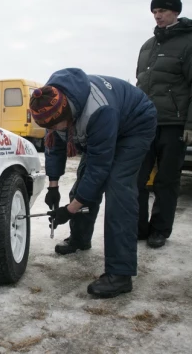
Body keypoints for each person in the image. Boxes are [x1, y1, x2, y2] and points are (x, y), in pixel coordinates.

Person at [30, 68, 156, 298]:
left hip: (134, 125)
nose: (53, 129)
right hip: (101, 131)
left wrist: (70, 210)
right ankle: (80, 238)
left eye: (57, 125)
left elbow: (100, 169)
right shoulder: (51, 103)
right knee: (82, 187)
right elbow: (54, 146)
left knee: (118, 190)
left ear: (69, 114)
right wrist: (53, 186)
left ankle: (120, 274)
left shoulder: (99, 111)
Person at [135, 0, 192, 248]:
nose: (158, 16)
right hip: (146, 123)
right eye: (155, 12)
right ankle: (139, 227)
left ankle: (160, 230)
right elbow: (140, 83)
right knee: (136, 177)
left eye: (163, 11)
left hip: (174, 124)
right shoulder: (148, 45)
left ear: (176, 12)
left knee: (166, 180)